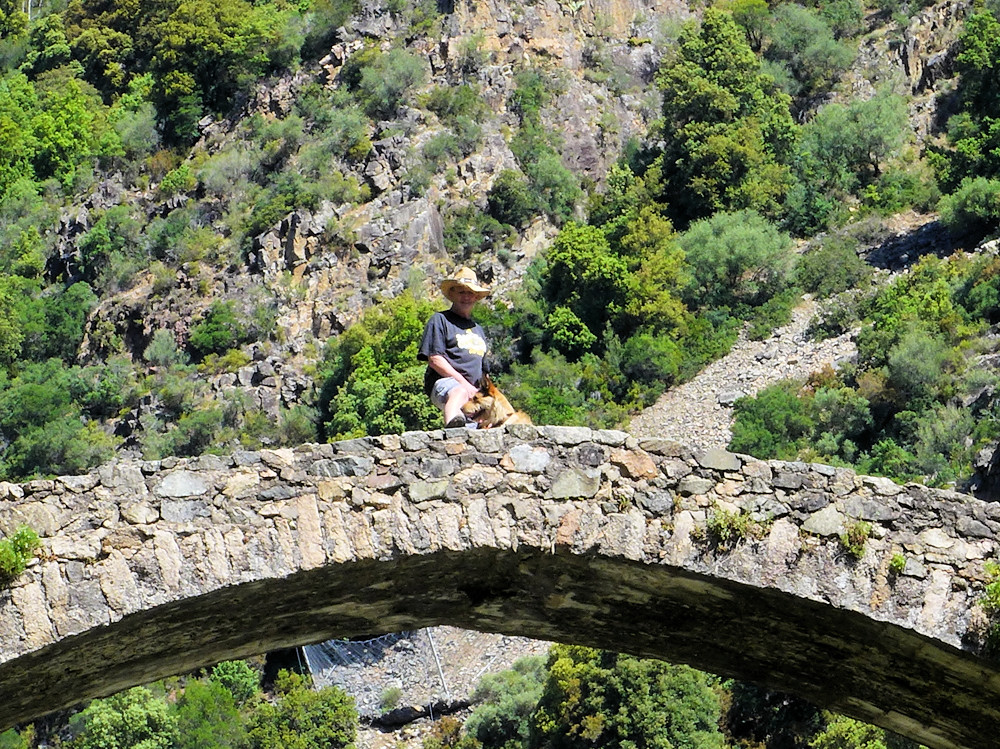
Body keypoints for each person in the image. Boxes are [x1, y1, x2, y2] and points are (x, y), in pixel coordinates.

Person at [418, 266, 491, 429]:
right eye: (461, 292)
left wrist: (484, 399)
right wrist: (465, 385)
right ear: (452, 295)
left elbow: (484, 372)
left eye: (470, 292)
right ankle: (453, 429)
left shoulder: (478, 329)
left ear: (476, 297)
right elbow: (435, 359)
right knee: (459, 392)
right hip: (445, 382)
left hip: (474, 390)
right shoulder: (440, 320)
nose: (466, 297)